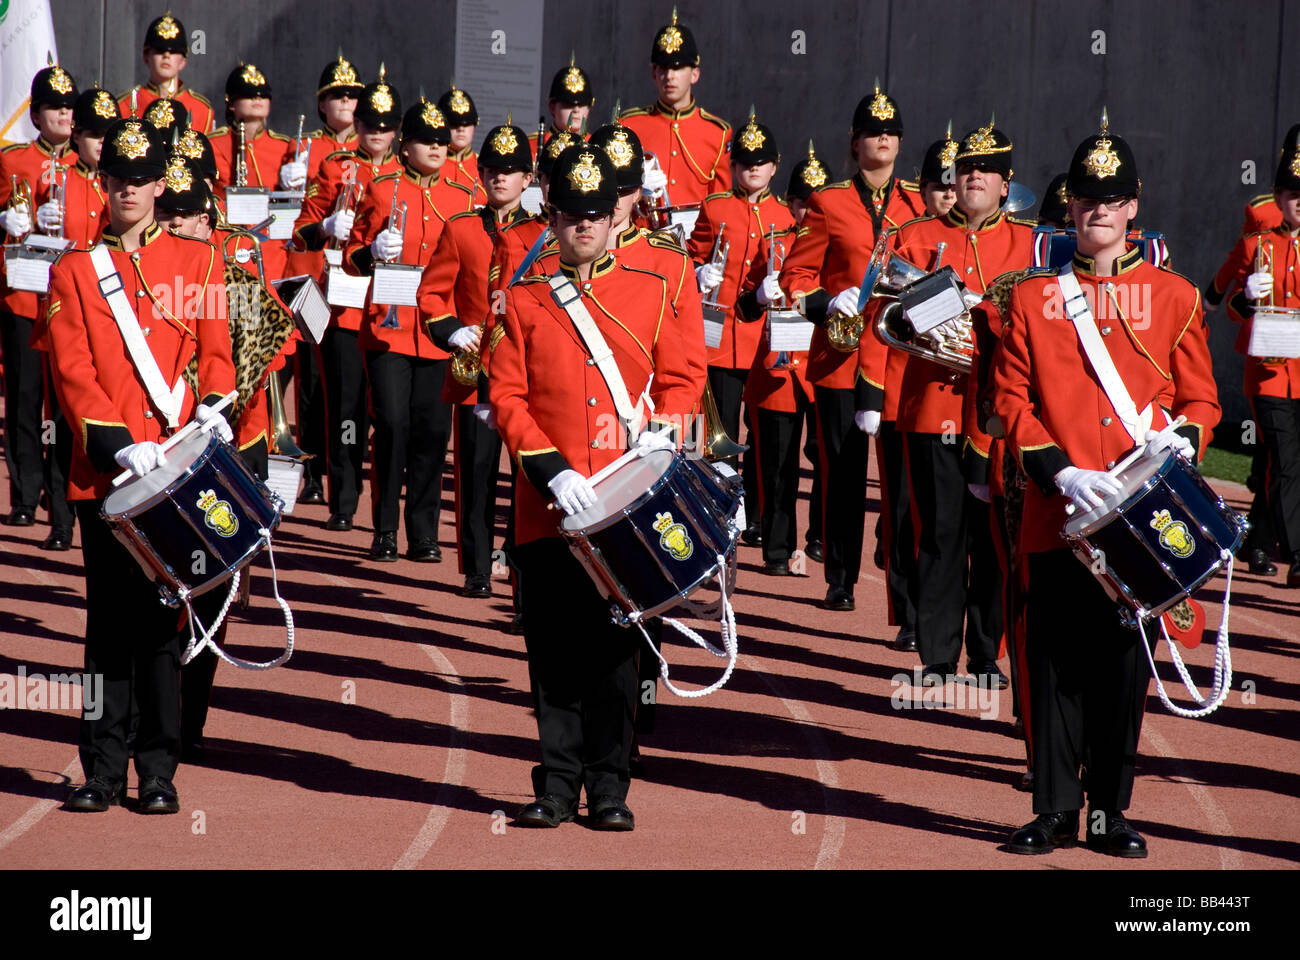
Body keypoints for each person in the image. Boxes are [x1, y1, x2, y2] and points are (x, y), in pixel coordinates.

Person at [994, 117, 1220, 856]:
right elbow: (1009, 401)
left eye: (1113, 198)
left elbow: (1201, 400)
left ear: (1133, 207)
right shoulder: (1029, 299)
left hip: (1135, 519)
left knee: (1122, 669)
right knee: (1050, 659)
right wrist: (1058, 467)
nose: (1099, 210)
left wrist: (1181, 440)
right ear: (1069, 205)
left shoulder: (1177, 295)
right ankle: (1055, 808)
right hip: (1060, 507)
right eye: (1087, 196)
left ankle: (1108, 812)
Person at [489, 145, 703, 830]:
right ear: (553, 218)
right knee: (552, 647)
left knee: (617, 651)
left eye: (595, 215)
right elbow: (507, 395)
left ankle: (610, 784)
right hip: (548, 504)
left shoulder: (655, 283)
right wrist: (552, 468)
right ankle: (556, 782)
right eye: (572, 216)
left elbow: (682, 375)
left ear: (617, 217)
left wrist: (664, 434)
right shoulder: (524, 299)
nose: (584, 227)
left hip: (624, 502)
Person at [46, 118, 236, 812]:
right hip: (109, 472)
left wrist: (208, 412)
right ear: (105, 183)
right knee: (108, 625)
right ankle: (100, 768)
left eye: (140, 180)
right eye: (116, 180)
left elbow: (216, 353)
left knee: (164, 622)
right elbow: (72, 371)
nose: (127, 190)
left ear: (162, 184)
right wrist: (117, 442)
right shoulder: (73, 269)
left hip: (177, 474)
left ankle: (158, 769)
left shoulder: (200, 262)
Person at [772, 82, 924, 611]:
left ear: (899, 143)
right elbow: (795, 276)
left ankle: (904, 592)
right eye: (871, 132)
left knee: (901, 483)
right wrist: (825, 301)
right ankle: (841, 577)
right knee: (841, 473)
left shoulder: (919, 204)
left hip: (899, 360)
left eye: (890, 132)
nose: (881, 139)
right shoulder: (828, 201)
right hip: (841, 355)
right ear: (855, 142)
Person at [348, 98, 473, 562]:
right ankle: (383, 529)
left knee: (431, 432)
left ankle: (423, 532)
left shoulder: (463, 197)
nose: (437, 148)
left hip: (439, 330)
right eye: (427, 140)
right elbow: (350, 260)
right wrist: (374, 250)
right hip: (389, 328)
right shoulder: (381, 189)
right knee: (393, 425)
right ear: (406, 144)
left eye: (443, 141)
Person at [855, 125, 961, 647]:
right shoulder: (906, 236)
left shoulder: (980, 238)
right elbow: (880, 313)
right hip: (900, 394)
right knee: (903, 515)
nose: (946, 194)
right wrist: (871, 391)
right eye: (938, 186)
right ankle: (912, 613)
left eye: (953, 184)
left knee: (945, 521)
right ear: (921, 189)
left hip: (956, 399)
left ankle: (942, 616)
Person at [419, 119, 531, 585]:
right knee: (475, 468)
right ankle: (478, 568)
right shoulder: (461, 228)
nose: (500, 178)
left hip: (527, 369)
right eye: (492, 170)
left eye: (511, 170)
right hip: (476, 366)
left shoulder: (544, 234)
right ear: (480, 175)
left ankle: (522, 567)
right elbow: (431, 293)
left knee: (527, 473)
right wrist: (451, 332)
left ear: (528, 178)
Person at [291, 75, 403, 532]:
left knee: (389, 412)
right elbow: (300, 230)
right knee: (345, 404)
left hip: (393, 305)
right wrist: (325, 228)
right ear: (355, 124)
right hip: (343, 301)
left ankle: (387, 510)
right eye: (368, 123)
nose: (375, 132)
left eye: (385, 124)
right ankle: (344, 496)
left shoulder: (406, 175)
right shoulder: (336, 165)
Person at [23, 86, 121, 552]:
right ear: (77, 136)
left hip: (109, 312)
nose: (101, 143)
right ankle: (61, 521)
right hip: (63, 310)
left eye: (108, 134)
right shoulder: (56, 177)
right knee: (61, 419)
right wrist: (34, 221)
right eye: (93, 134)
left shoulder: (123, 186)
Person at [689, 110, 792, 550]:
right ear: (732, 166)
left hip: (768, 342)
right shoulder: (715, 207)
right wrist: (698, 275)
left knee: (769, 440)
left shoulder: (785, 215)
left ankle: (768, 531)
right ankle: (720, 521)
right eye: (744, 160)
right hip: (720, 342)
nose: (752, 167)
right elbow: (690, 256)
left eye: (761, 160)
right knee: (719, 438)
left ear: (774, 165)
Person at [733, 140, 823, 574]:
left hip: (825, 361)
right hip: (778, 366)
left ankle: (822, 539)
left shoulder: (841, 247)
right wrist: (757, 293)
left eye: (816, 204)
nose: (808, 212)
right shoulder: (774, 245)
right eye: (801, 203)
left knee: (829, 460)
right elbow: (742, 307)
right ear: (789, 204)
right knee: (777, 462)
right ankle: (776, 547)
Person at [283, 54, 366, 506]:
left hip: (355, 285)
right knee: (312, 382)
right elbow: (298, 227)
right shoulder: (309, 150)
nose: (346, 101)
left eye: (353, 94)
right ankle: (313, 469)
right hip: (313, 281)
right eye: (337, 95)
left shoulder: (372, 151)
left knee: (353, 388)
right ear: (321, 104)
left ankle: (346, 467)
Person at [1218, 138, 1300, 587]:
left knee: (1281, 462)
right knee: (1278, 459)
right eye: (1292, 192)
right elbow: (1233, 296)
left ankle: (1261, 537)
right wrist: (1242, 297)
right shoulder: (1260, 237)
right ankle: (1285, 547)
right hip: (1270, 368)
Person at [0, 65, 79, 533]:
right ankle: (26, 494)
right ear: (35, 113)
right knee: (25, 400)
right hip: (25, 298)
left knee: (64, 405)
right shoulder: (13, 161)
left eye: (69, 106)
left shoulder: (87, 165)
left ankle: (61, 492)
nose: (64, 114)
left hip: (67, 300)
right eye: (54, 106)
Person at [619, 10, 731, 214]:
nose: (669, 76)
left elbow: (720, 206)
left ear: (695, 74)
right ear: (654, 74)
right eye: (663, 68)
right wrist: (637, 190)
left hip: (694, 242)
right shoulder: (629, 126)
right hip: (644, 237)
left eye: (678, 68)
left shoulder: (718, 134)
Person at [118, 12, 215, 133]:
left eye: (174, 51)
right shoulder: (125, 104)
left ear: (183, 61)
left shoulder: (201, 109)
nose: (166, 55)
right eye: (159, 51)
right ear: (146, 57)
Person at [209, 63, 294, 198]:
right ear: (231, 104)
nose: (257, 98)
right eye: (248, 94)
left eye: (263, 95)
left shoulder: (284, 146)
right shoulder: (212, 144)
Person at [527, 55, 593, 160]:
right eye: (568, 104)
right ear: (552, 107)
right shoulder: (530, 146)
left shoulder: (596, 145)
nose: (576, 110)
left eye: (581, 104)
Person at [437, 84, 487, 204]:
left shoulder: (485, 167)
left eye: (466, 124)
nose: (461, 129)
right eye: (454, 124)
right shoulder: (432, 165)